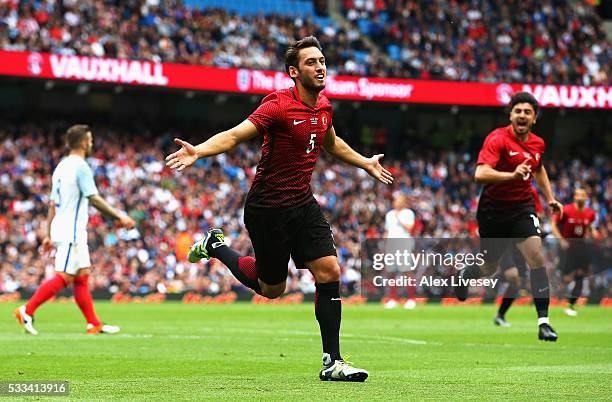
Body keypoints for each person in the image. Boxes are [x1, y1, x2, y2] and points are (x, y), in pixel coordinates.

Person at [165, 36, 393, 381]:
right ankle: (216, 246)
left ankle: (333, 362)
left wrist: (365, 163)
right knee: (273, 289)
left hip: (302, 203)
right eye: (311, 63)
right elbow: (235, 135)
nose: (320, 67)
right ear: (293, 71)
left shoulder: (325, 106)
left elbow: (331, 143)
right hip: (267, 209)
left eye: (322, 61)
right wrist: (199, 151)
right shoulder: (278, 105)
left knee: (330, 272)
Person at [456, 92, 563, 342]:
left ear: (535, 118)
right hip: (493, 211)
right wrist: (511, 176)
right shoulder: (497, 139)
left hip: (522, 208)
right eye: (518, 111)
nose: (522, 116)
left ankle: (544, 323)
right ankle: (465, 274)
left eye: (527, 112)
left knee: (536, 257)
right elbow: (480, 173)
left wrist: (549, 198)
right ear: (511, 115)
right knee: (490, 267)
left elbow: (539, 168)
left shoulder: (538, 144)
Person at [15, 125, 135, 335]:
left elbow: (53, 203)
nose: (92, 144)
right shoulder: (81, 167)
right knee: (65, 276)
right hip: (71, 231)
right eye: (90, 141)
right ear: (83, 143)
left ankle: (93, 323)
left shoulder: (61, 167)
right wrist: (119, 216)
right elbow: (93, 198)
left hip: (66, 229)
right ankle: (27, 309)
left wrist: (49, 233)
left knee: (82, 275)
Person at [493, 185, 543, 327]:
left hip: (520, 240)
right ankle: (495, 277)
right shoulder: (501, 188)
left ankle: (500, 315)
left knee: (517, 283)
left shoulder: (531, 191)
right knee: (512, 275)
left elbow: (537, 213)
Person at [551, 188, 597, 316]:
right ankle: (557, 297)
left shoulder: (590, 213)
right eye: (578, 195)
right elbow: (554, 225)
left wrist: (593, 233)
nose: (580, 197)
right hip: (567, 247)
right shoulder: (566, 210)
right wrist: (561, 240)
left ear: (586, 197)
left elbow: (590, 227)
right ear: (574, 197)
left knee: (581, 274)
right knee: (566, 277)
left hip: (581, 247)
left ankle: (571, 303)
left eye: (583, 195)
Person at [383, 193, 417, 309]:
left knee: (406, 271)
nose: (396, 202)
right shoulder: (389, 214)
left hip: (404, 243)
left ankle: (411, 299)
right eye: (395, 200)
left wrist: (399, 218)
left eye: (398, 200)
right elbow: (387, 230)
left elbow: (409, 228)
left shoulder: (408, 213)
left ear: (403, 202)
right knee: (391, 272)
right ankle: (393, 299)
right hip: (392, 244)